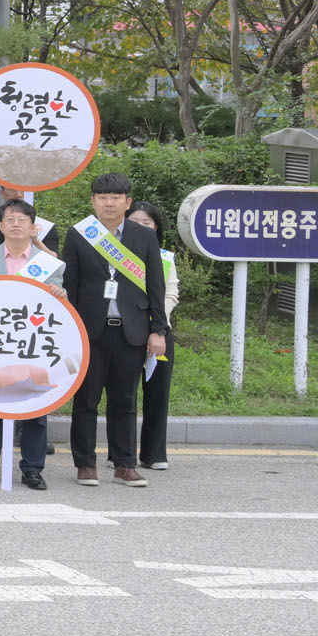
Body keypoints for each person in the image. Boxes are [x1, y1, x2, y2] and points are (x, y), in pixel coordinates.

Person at [62, 173, 168, 487]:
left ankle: (124, 464)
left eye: (116, 197)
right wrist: (69, 330)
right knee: (86, 401)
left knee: (125, 401)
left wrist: (158, 329)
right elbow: (71, 285)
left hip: (130, 330)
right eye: (103, 197)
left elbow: (156, 285)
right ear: (93, 201)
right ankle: (85, 464)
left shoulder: (144, 236)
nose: (109, 203)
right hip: (90, 331)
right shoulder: (80, 234)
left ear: (127, 202)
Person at [0, 199, 62, 490]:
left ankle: (32, 468)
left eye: (22, 220)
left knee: (35, 405)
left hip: (34, 343)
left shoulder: (48, 263)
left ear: (34, 228)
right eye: (10, 219)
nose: (16, 224)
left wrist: (60, 294)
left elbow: (61, 304)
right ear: (1, 226)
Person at [129, 201, 178, 472]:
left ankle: (154, 453)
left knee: (158, 394)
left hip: (159, 333)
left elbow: (171, 294)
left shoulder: (165, 258)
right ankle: (122, 454)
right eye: (134, 222)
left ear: (155, 227)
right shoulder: (114, 254)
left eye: (145, 223)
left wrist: (156, 325)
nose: (140, 227)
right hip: (127, 331)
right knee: (125, 395)